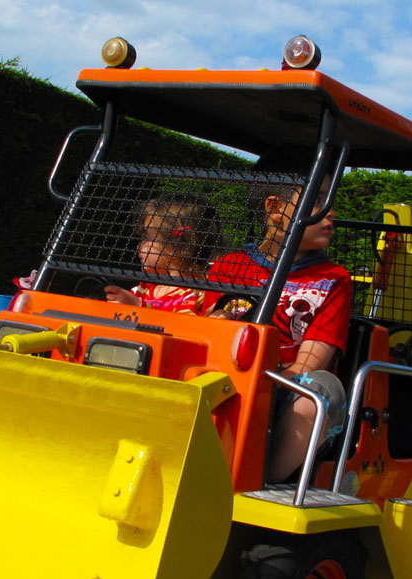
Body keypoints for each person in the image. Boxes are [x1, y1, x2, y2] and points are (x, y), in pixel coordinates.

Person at [203, 162, 352, 483]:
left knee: (324, 389)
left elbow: (311, 364)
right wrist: (217, 324)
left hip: (285, 390)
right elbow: (206, 338)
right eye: (317, 200)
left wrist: (263, 381)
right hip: (224, 381)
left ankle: (257, 482)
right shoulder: (229, 267)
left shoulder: (333, 279)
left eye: (330, 201)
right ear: (274, 208)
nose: (330, 212)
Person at [104, 195, 224, 314]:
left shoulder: (194, 294)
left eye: (146, 238)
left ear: (176, 245)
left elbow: (181, 329)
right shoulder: (144, 288)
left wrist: (137, 307)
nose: (139, 246)